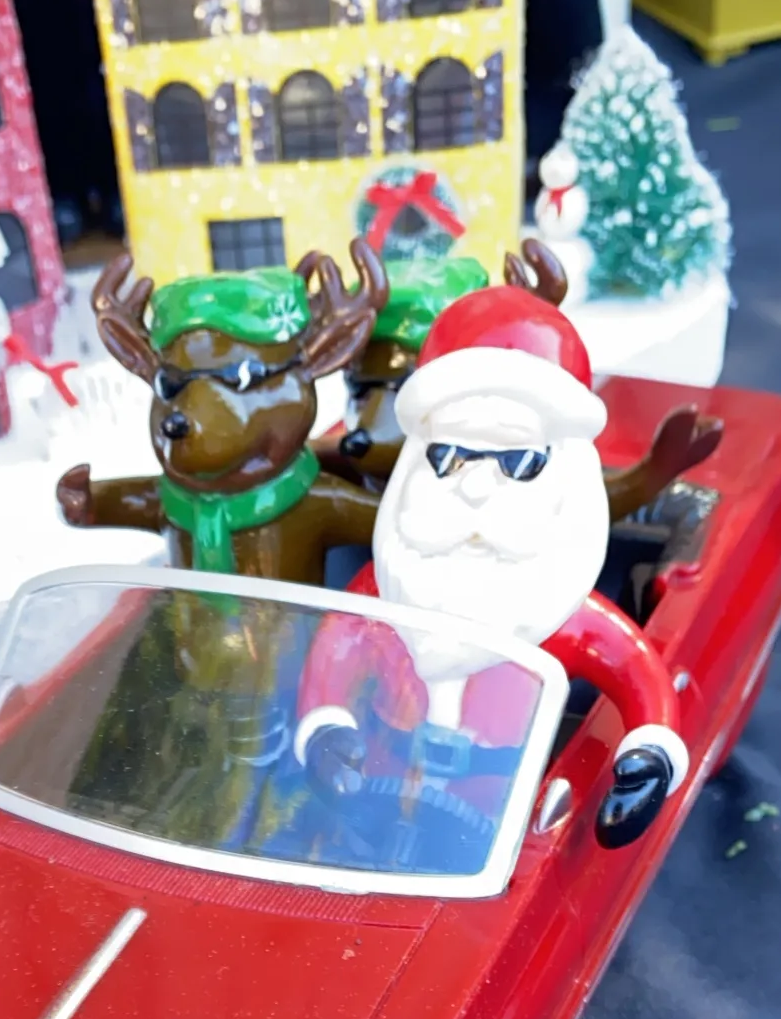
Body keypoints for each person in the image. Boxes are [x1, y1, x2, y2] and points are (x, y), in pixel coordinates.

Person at [294, 285, 690, 851]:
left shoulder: (559, 608)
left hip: (497, 813)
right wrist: (327, 730)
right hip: (373, 790)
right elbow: (338, 651)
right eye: (448, 458)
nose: (476, 486)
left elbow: (636, 673)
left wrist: (648, 755)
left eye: (518, 461)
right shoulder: (387, 589)